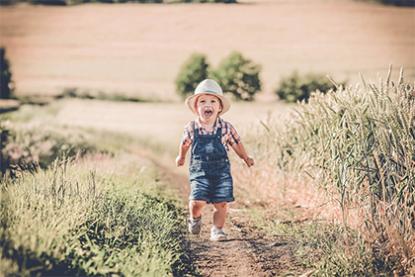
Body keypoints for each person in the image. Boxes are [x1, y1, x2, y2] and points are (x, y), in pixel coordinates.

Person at [176, 79, 254, 241]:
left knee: (222, 203)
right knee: (197, 200)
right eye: (202, 101)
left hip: (221, 172)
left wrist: (245, 157)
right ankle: (195, 218)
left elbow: (236, 143)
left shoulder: (226, 127)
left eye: (212, 101)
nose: (207, 104)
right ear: (196, 108)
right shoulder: (191, 127)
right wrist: (181, 157)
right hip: (199, 171)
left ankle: (217, 230)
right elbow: (184, 145)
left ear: (219, 108)